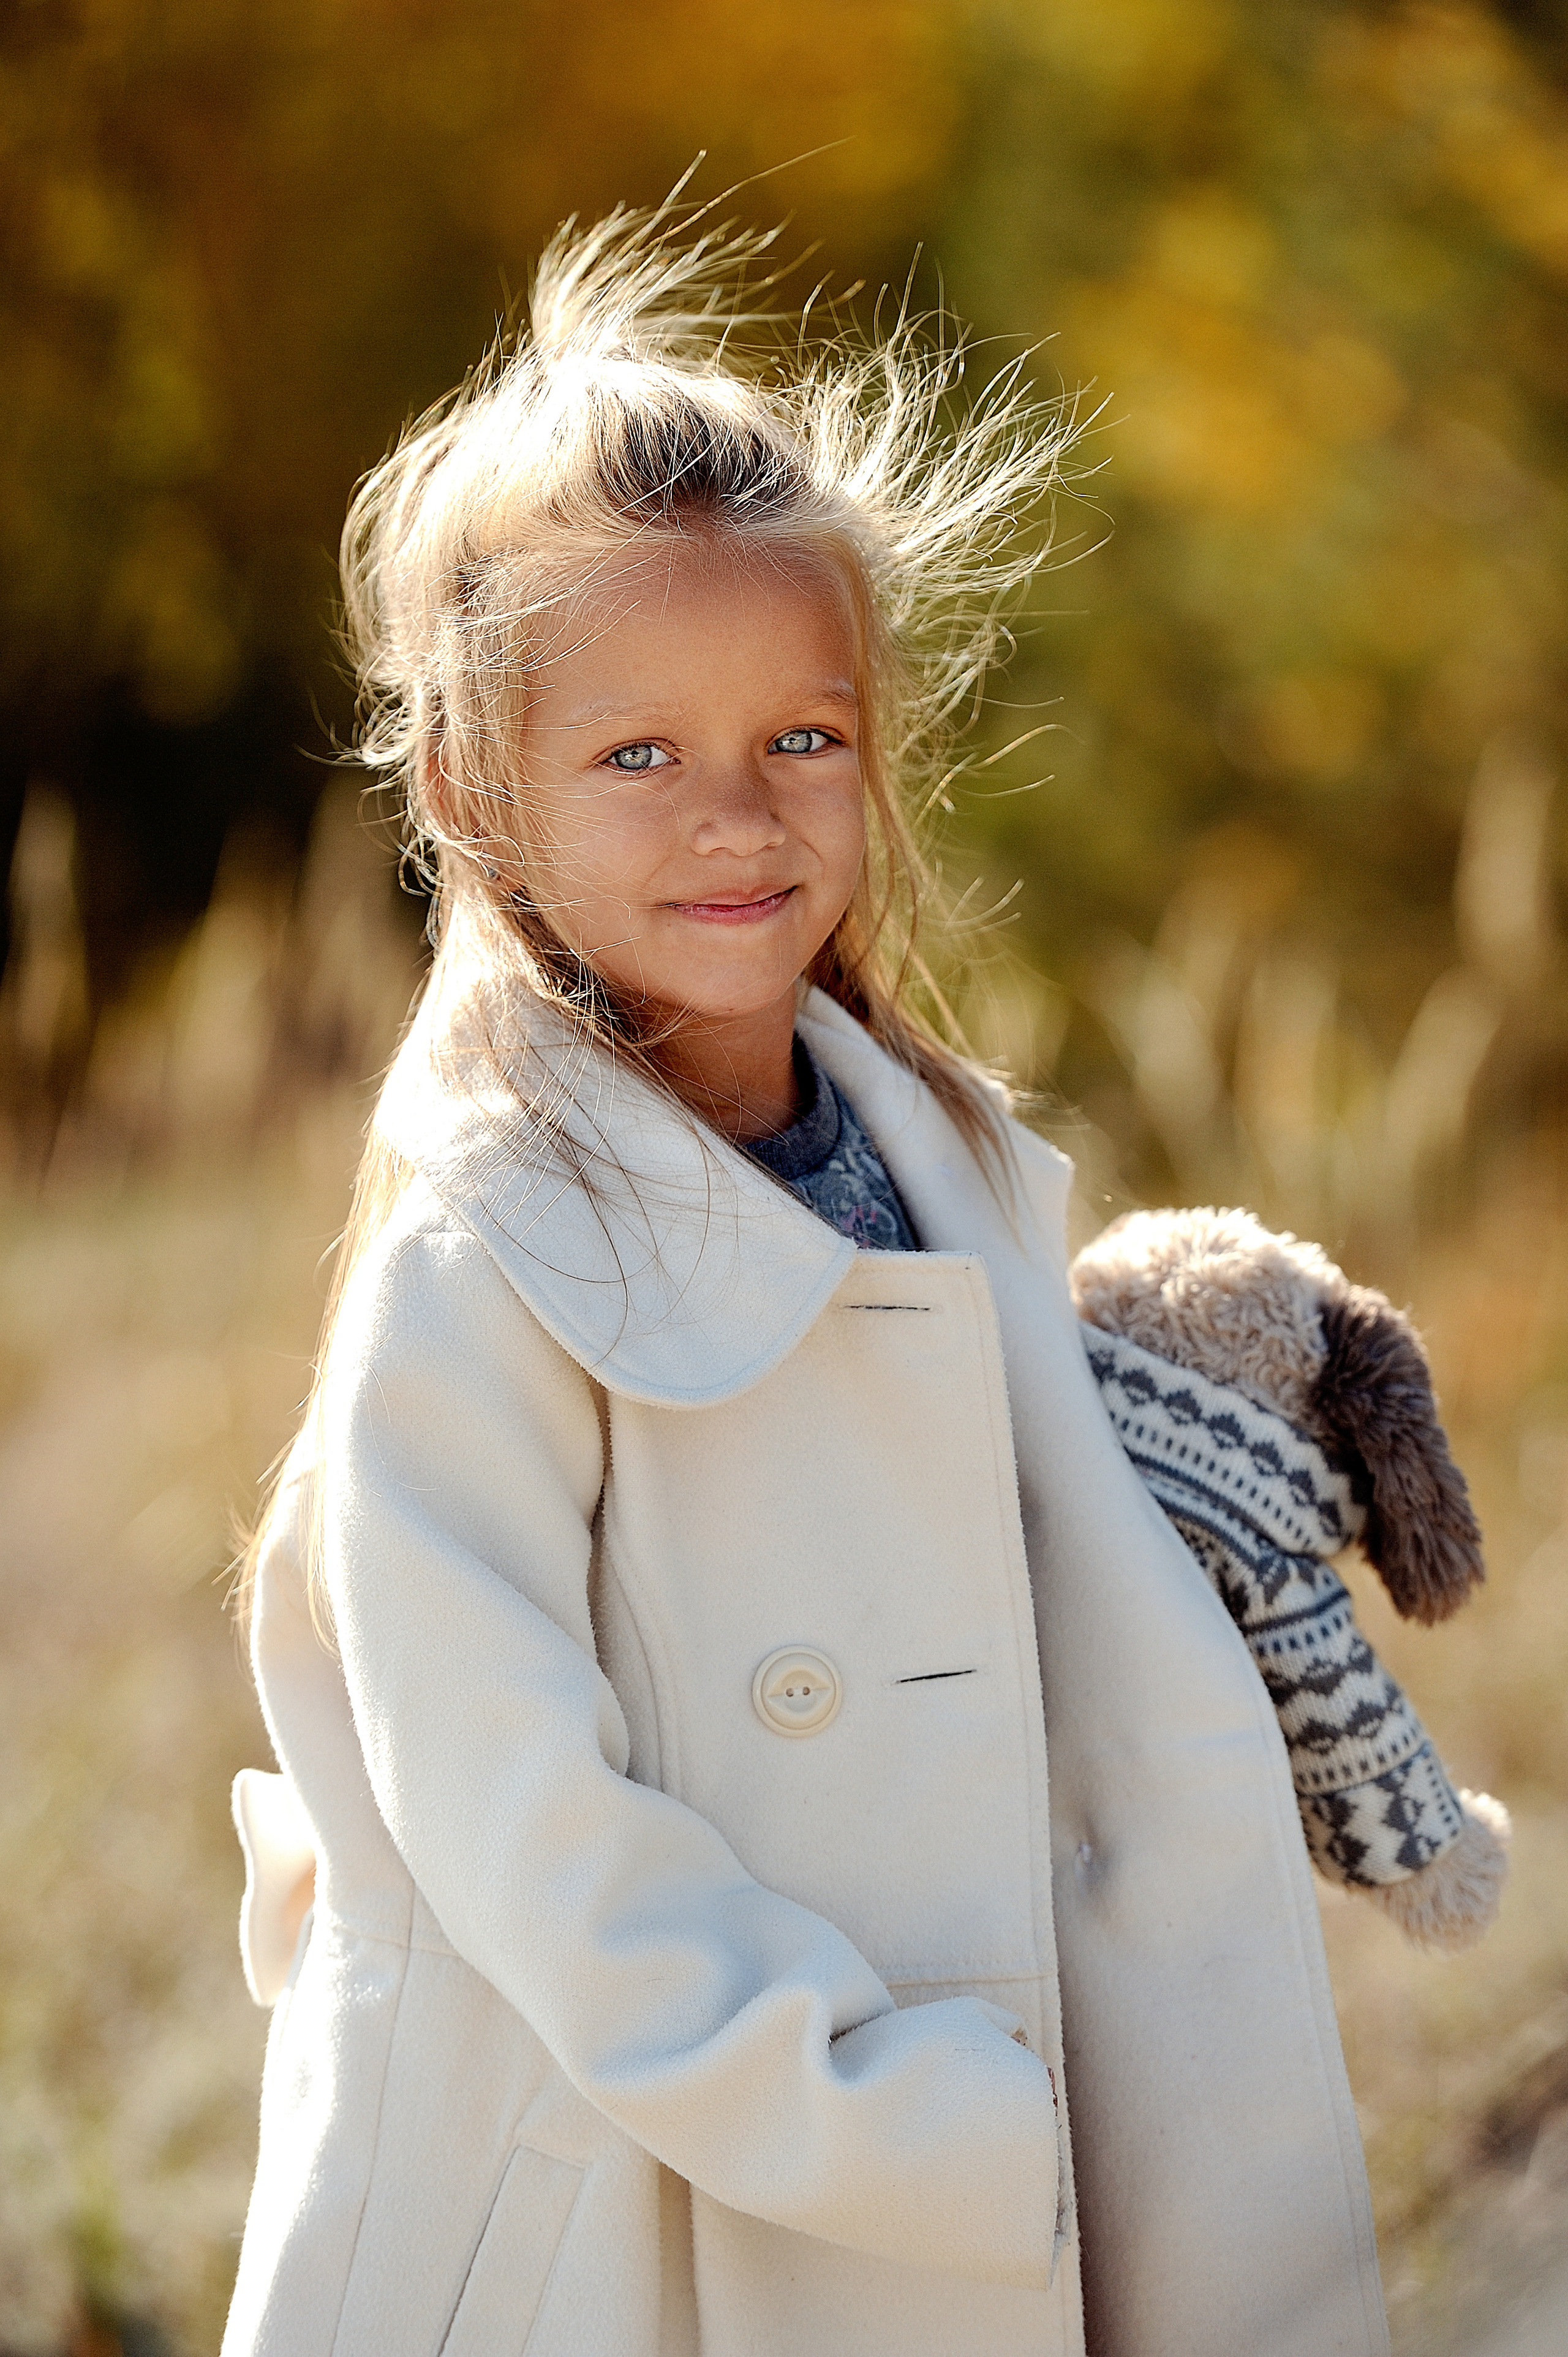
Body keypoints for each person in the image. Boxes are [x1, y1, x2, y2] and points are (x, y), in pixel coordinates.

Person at [222, 199, 1390, 2357]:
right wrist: (880, 2114)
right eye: (638, 754)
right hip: (671, 2191)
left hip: (1023, 2113)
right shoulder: (484, 1260)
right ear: (486, 790)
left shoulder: (935, 1156)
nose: (736, 817)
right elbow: (522, 1824)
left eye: (804, 739)